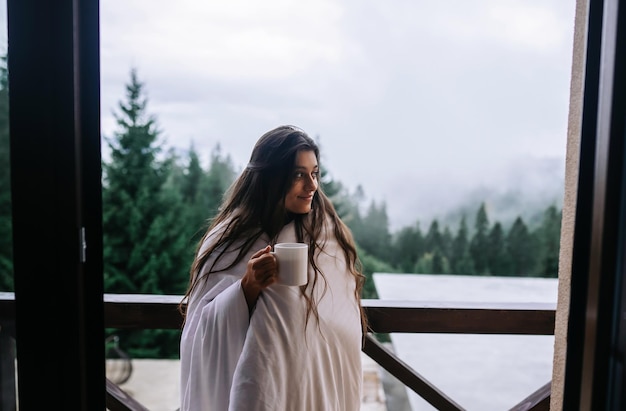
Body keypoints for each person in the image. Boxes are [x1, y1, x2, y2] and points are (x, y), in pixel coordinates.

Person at [178, 125, 367, 411]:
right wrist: (247, 286)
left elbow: (340, 316)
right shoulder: (229, 239)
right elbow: (200, 330)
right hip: (260, 387)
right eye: (298, 175)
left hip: (313, 382)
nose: (312, 186)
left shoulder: (326, 236)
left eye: (314, 173)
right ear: (271, 178)